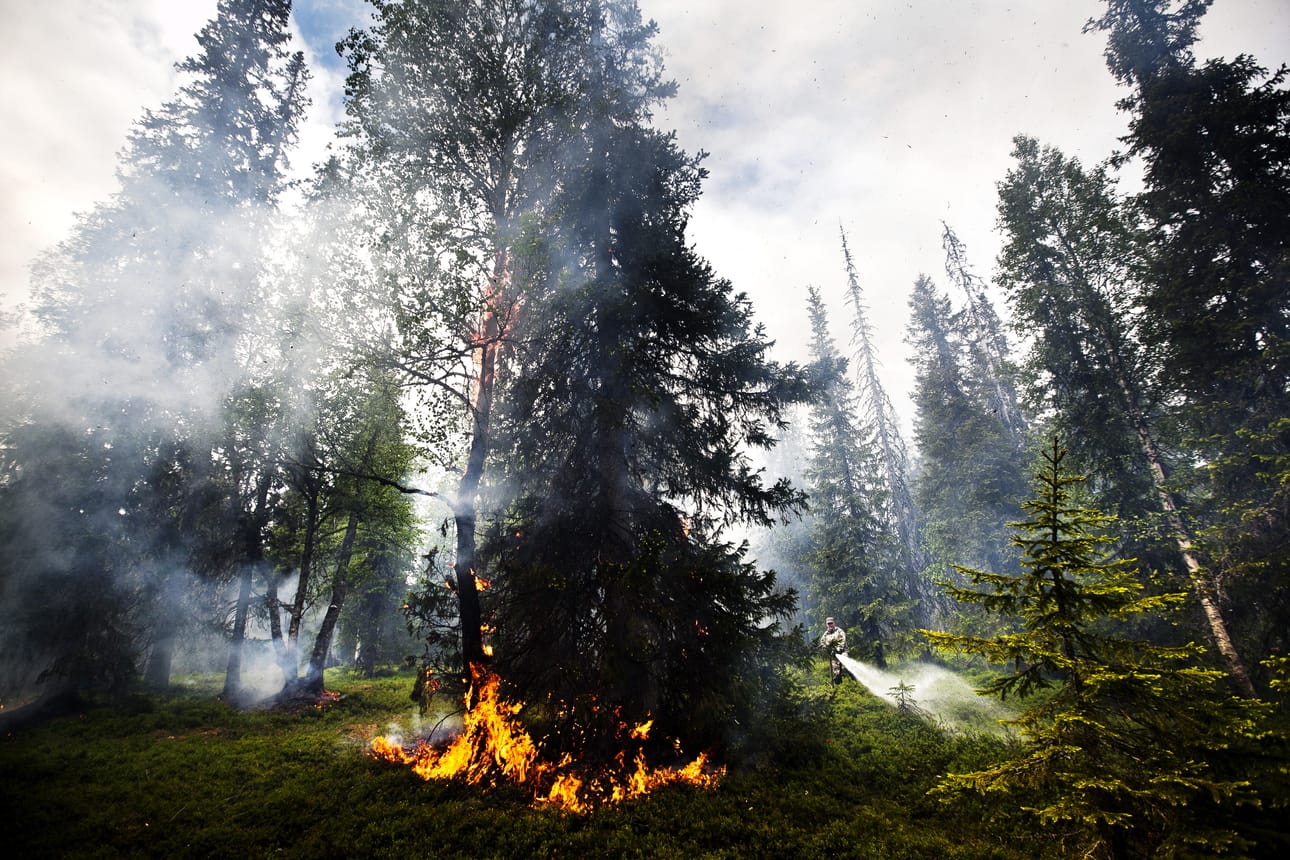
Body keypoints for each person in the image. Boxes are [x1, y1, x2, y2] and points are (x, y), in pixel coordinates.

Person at [819, 616, 847, 685]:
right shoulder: (825, 635)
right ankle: (838, 682)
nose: (830, 625)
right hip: (833, 654)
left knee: (844, 664)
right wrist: (826, 649)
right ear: (826, 625)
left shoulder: (839, 631)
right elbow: (822, 643)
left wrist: (840, 647)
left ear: (834, 623)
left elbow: (843, 639)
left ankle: (851, 678)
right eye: (828, 624)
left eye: (831, 623)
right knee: (835, 669)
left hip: (842, 651)